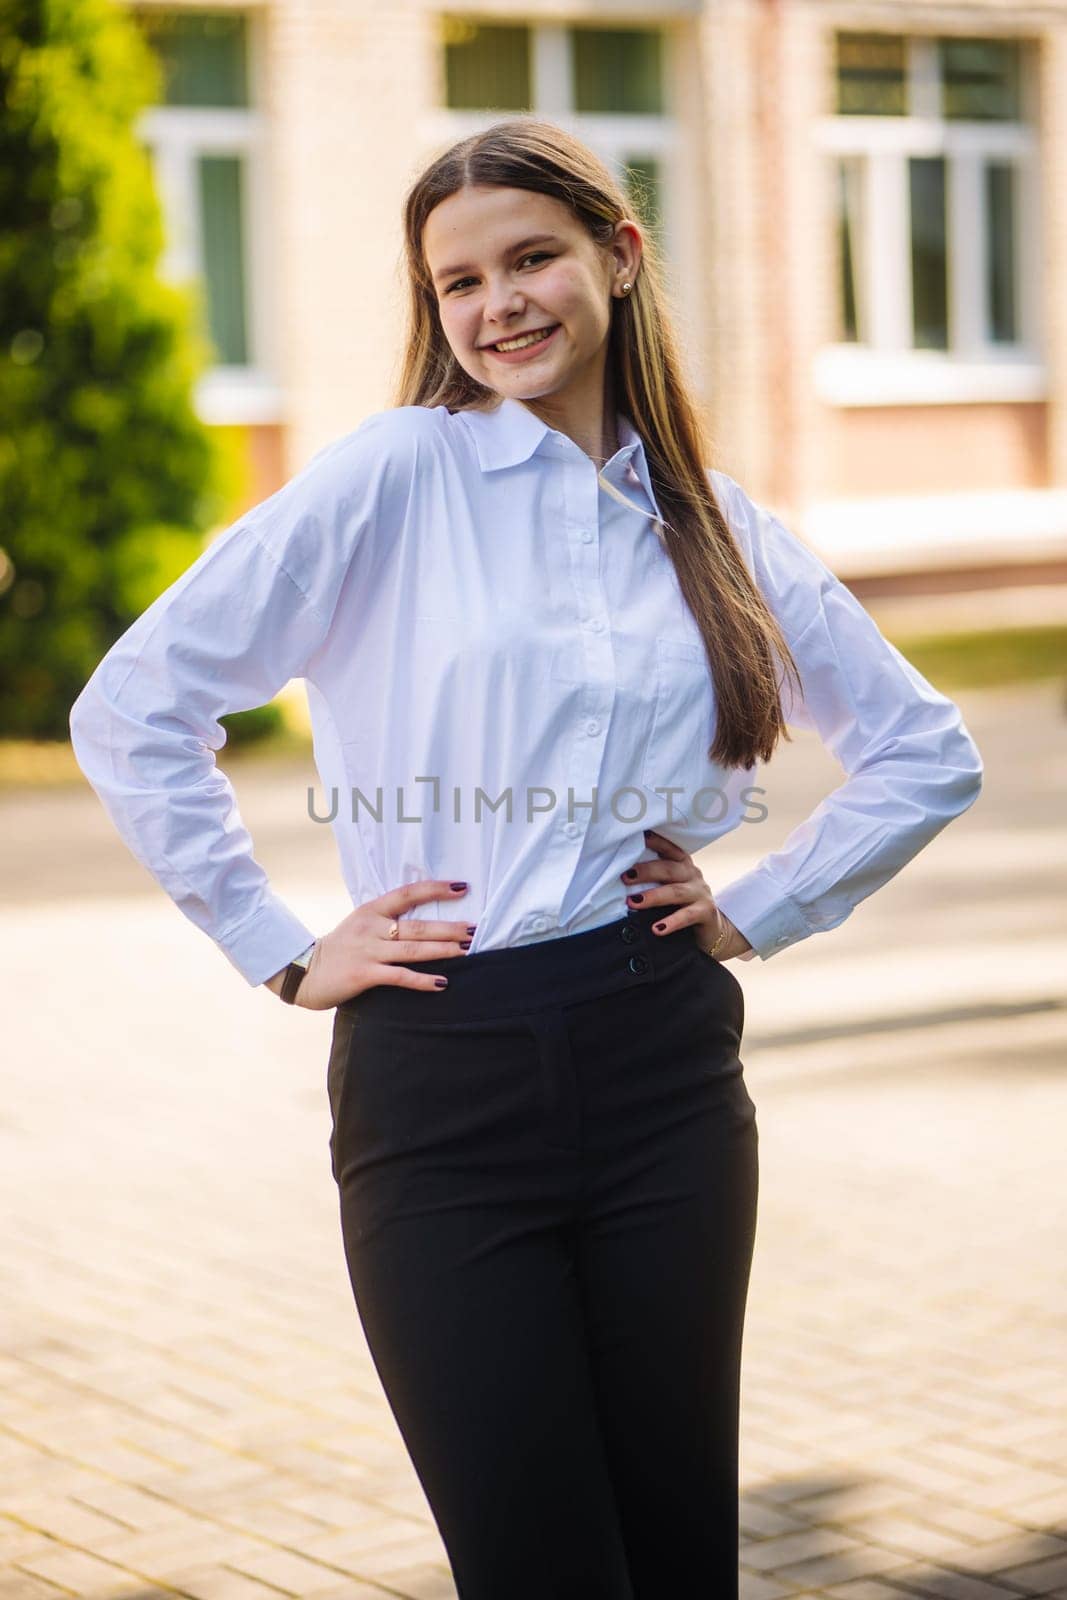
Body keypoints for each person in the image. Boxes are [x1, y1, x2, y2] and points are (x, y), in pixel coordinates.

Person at [69, 116, 984, 1598]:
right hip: (441, 1081)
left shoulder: (715, 525)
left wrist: (756, 908)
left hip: (664, 1067)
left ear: (620, 258)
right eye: (456, 281)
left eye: (533, 257)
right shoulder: (394, 478)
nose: (497, 304)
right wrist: (281, 946)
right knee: (537, 1560)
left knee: (679, 1551)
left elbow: (927, 749)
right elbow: (133, 707)